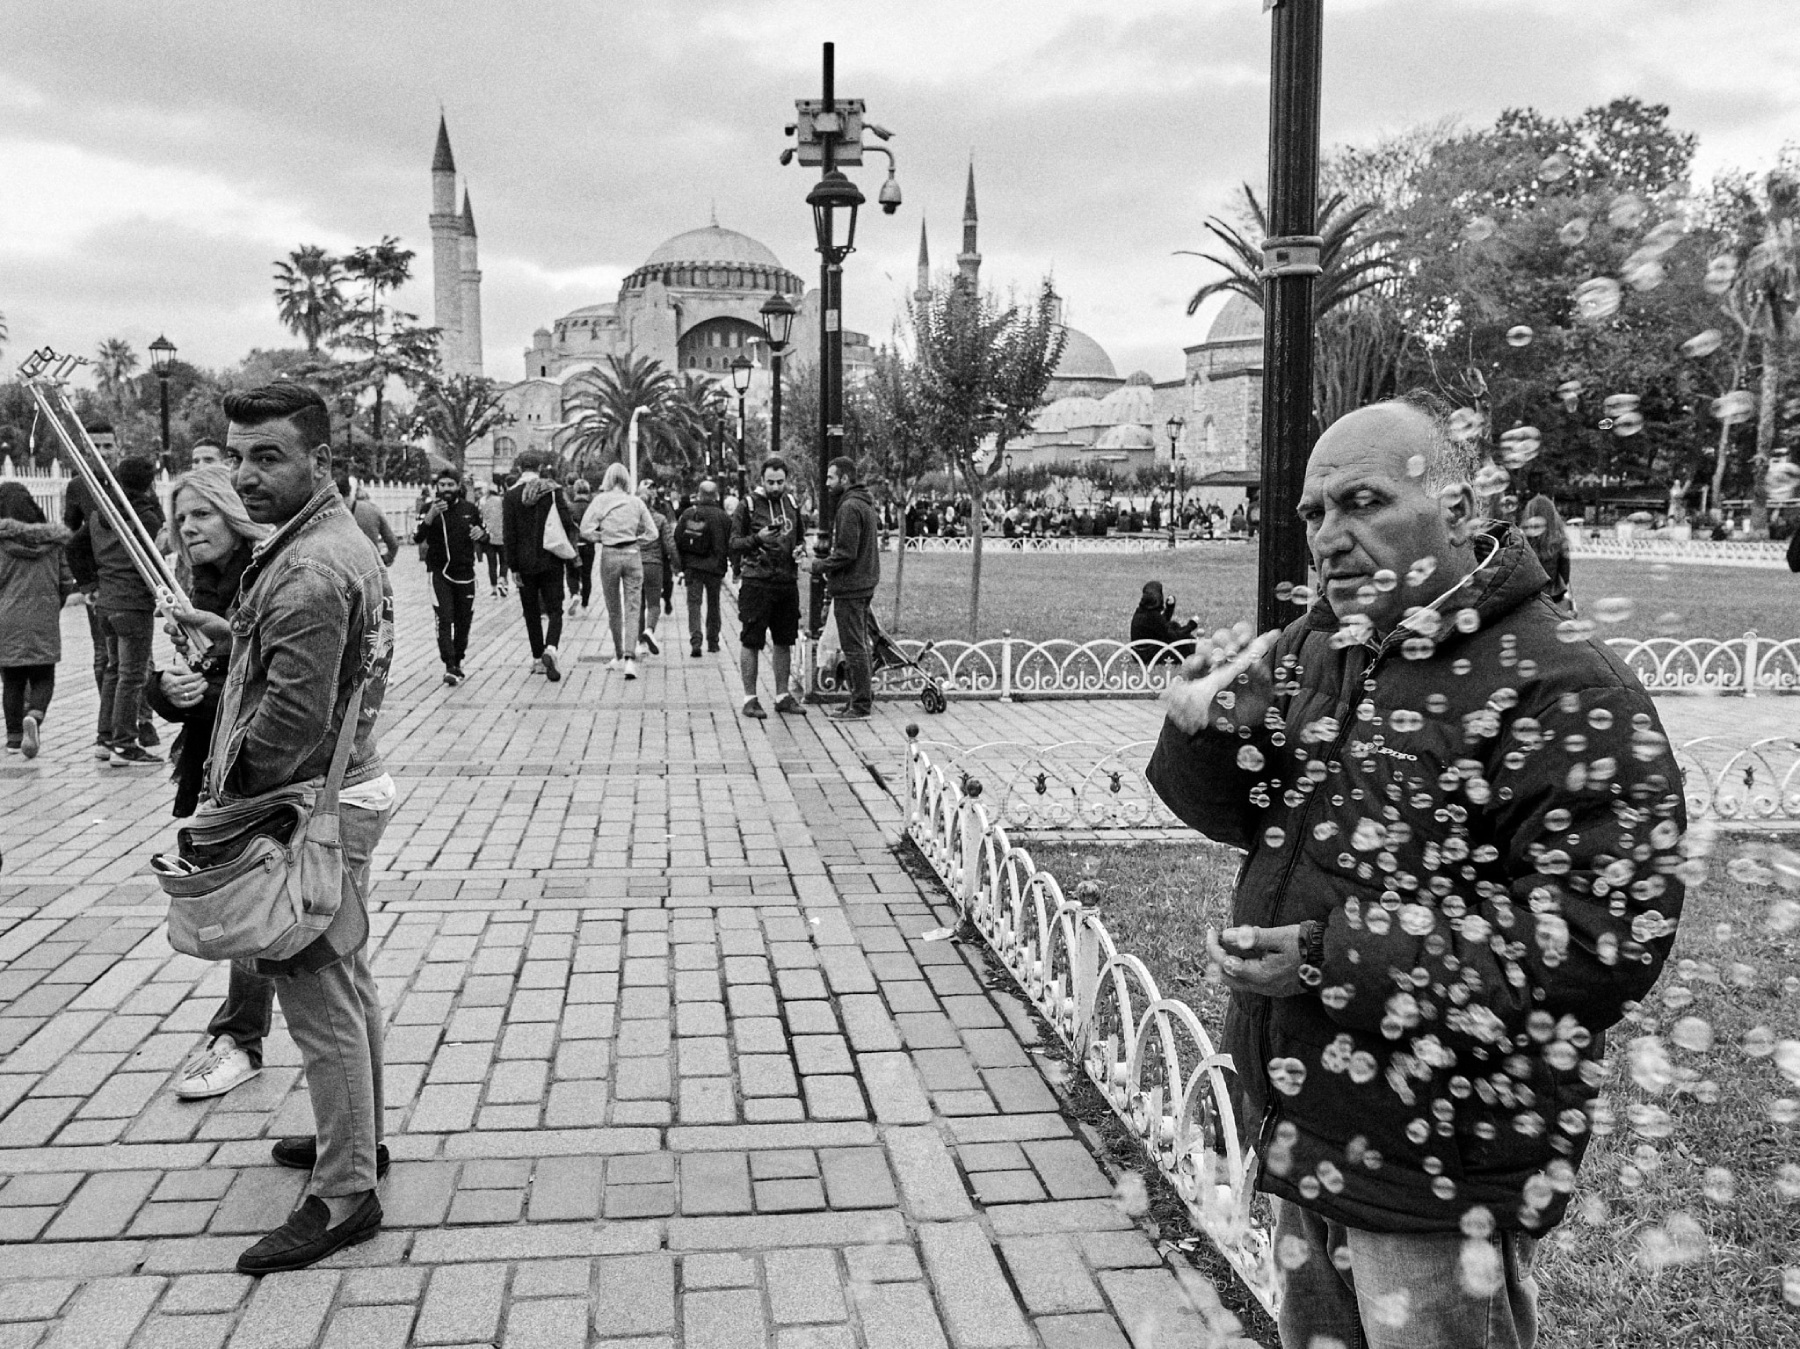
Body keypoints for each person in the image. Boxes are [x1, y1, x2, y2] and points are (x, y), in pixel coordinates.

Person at [1146, 400, 1685, 1349]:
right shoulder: (1325, 644)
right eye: (1314, 514)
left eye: (1362, 502)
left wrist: (1325, 958)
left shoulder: (1560, 681)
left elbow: (1600, 939)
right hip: (1311, 1112)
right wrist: (1202, 729)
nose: (1329, 538)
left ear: (1461, 504)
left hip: (1436, 1151)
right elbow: (1255, 817)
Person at [201, 382, 395, 1274]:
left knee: (317, 995)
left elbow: (287, 724)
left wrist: (227, 798)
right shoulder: (325, 538)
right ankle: (355, 1139)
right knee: (343, 979)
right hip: (342, 791)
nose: (246, 474)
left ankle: (345, 1191)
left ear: (320, 457)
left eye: (268, 456)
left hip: (305, 810)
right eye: (237, 455)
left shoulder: (311, 567)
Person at [147, 466, 276, 1100]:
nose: (190, 527)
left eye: (204, 514)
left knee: (254, 901)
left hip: (261, 766)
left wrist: (217, 668)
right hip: (212, 761)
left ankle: (239, 1039)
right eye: (182, 517)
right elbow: (178, 682)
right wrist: (172, 692)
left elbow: (269, 688)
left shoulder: (264, 578)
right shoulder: (191, 583)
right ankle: (245, 1036)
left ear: (232, 514)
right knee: (256, 902)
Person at [87, 455, 166, 767]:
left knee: (113, 670)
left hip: (106, 603)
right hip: (133, 604)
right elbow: (152, 561)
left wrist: (91, 581)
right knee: (132, 676)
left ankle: (103, 739)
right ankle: (124, 742)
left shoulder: (99, 515)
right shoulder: (145, 518)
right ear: (149, 484)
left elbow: (76, 546)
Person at [800, 456, 879, 720]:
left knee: (853, 646)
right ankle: (858, 698)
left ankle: (860, 705)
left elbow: (846, 553)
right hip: (863, 582)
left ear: (844, 479)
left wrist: (817, 565)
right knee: (859, 644)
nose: (826, 483)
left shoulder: (849, 507)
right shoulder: (862, 503)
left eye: (831, 478)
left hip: (851, 585)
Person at [0, 482, 74, 760]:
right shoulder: (52, 543)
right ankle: (35, 715)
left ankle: (14, 739)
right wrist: (54, 605)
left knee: (12, 681)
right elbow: (66, 582)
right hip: (44, 618)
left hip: (6, 620)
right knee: (43, 676)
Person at [730, 456, 808, 719]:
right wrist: (756, 539)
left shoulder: (792, 503)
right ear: (761, 481)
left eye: (780, 482)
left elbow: (800, 537)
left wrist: (800, 549)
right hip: (757, 581)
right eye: (770, 482)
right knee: (752, 640)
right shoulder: (749, 505)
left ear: (787, 480)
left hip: (786, 581)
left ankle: (782, 695)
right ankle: (750, 698)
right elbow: (733, 543)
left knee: (784, 640)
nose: (775, 487)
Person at [501, 451, 577, 682]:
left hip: (524, 563)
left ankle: (537, 659)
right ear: (541, 467)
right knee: (555, 608)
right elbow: (566, 521)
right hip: (551, 558)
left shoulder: (511, 496)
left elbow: (509, 534)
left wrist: (512, 566)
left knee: (531, 610)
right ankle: (551, 648)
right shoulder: (552, 492)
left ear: (519, 469)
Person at [578, 462, 657, 676]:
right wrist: (637, 540)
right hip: (633, 554)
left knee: (614, 609)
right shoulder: (636, 502)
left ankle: (618, 653)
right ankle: (631, 658)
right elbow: (653, 533)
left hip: (610, 554)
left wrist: (601, 537)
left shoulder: (600, 501)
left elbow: (585, 530)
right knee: (633, 607)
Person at [414, 468, 486, 686]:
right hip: (439, 573)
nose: (446, 489)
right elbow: (417, 538)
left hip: (465, 573)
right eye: (442, 485)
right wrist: (430, 517)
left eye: (450, 485)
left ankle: (459, 659)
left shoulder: (470, 509)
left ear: (458, 487)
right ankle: (450, 664)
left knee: (463, 621)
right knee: (444, 618)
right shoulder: (429, 509)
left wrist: (481, 534)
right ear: (437, 487)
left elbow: (485, 533)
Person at [675, 480, 731, 657]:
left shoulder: (689, 514)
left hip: (693, 567)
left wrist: (681, 565)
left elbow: (678, 539)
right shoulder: (723, 517)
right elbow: (731, 543)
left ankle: (695, 640)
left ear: (699, 495)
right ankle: (713, 641)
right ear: (716, 496)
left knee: (694, 603)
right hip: (715, 569)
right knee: (714, 603)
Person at [636, 479, 676, 657]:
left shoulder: (630, 520)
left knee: (637, 604)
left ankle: (639, 642)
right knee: (653, 604)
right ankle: (649, 630)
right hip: (654, 564)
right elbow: (669, 545)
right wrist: (677, 564)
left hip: (634, 564)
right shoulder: (660, 519)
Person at [1519, 493, 1571, 611]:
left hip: (1525, 601)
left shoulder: (1521, 541)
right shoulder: (1560, 541)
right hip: (1553, 599)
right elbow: (1565, 576)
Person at [335, 471, 399, 567]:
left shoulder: (329, 515)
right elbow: (393, 543)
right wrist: (385, 559)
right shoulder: (372, 510)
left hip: (342, 568)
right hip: (370, 567)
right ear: (350, 489)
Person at [1127, 580, 1198, 664]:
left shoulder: (1142, 611)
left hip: (1139, 653)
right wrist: (1191, 626)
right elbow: (1172, 636)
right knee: (1185, 643)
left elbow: (1161, 625)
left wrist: (1170, 607)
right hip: (1148, 656)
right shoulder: (1152, 615)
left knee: (1173, 625)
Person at [564, 477, 595, 615]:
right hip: (588, 545)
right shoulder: (592, 507)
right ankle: (585, 604)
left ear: (575, 491)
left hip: (573, 545)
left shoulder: (569, 507)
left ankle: (574, 592)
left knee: (571, 572)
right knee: (587, 574)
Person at [478, 479, 508, 597]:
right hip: (502, 536)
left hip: (489, 537)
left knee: (492, 564)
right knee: (504, 561)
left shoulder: (483, 502)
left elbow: (481, 518)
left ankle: (494, 588)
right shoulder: (502, 502)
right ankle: (502, 579)